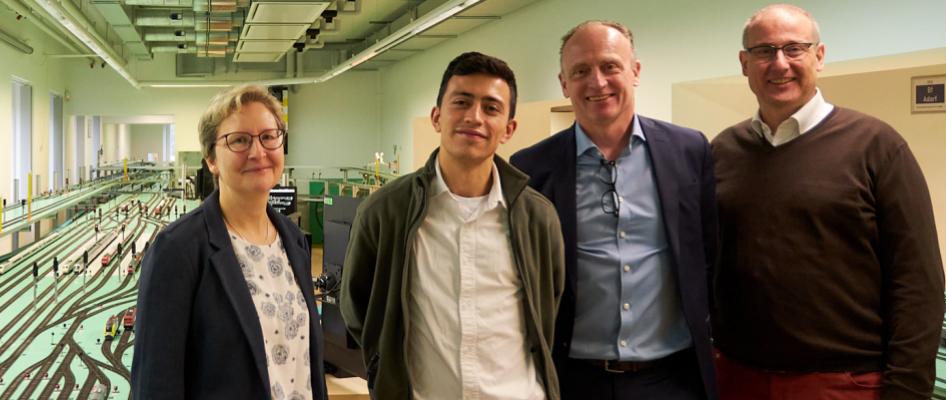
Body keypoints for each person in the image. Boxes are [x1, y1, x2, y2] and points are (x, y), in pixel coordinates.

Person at [711, 4, 944, 399]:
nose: (779, 63)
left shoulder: (877, 146)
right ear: (744, 63)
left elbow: (918, 282)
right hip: (737, 378)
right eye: (764, 51)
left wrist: (907, 389)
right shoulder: (722, 151)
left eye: (794, 48)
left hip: (844, 384)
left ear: (819, 56)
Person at [510, 20, 717, 399]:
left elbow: (708, 255)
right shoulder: (530, 168)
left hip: (672, 379)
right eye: (581, 71)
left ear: (635, 71)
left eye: (610, 66)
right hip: (572, 380)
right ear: (563, 83)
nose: (597, 82)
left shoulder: (688, 151)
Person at [341, 51, 563, 399]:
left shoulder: (536, 216)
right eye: (461, 102)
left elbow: (548, 308)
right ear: (436, 116)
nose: (474, 117)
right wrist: (384, 370)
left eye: (491, 108)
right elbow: (358, 307)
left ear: (509, 129)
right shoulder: (386, 210)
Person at [130, 84, 326, 399]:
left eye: (268, 136)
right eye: (239, 140)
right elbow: (155, 385)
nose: (258, 152)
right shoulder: (178, 250)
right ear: (211, 159)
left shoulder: (293, 241)